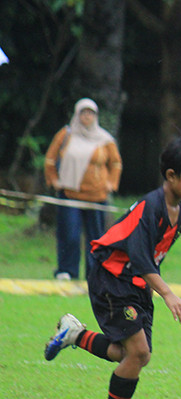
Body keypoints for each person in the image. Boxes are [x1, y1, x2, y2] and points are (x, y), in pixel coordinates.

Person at [43, 135, 181, 399]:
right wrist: (167, 293)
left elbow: (152, 258)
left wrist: (150, 286)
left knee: (128, 354)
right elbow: (140, 257)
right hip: (112, 277)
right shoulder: (151, 207)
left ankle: (75, 335)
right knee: (139, 353)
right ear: (171, 176)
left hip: (135, 283)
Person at [44, 98, 122, 280]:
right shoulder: (66, 135)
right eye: (83, 113)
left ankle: (94, 274)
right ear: (77, 114)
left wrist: (111, 183)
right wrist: (54, 180)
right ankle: (67, 270)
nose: (87, 117)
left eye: (91, 113)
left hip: (97, 196)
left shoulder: (104, 139)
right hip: (70, 194)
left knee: (96, 238)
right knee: (69, 234)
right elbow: (50, 158)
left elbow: (116, 163)